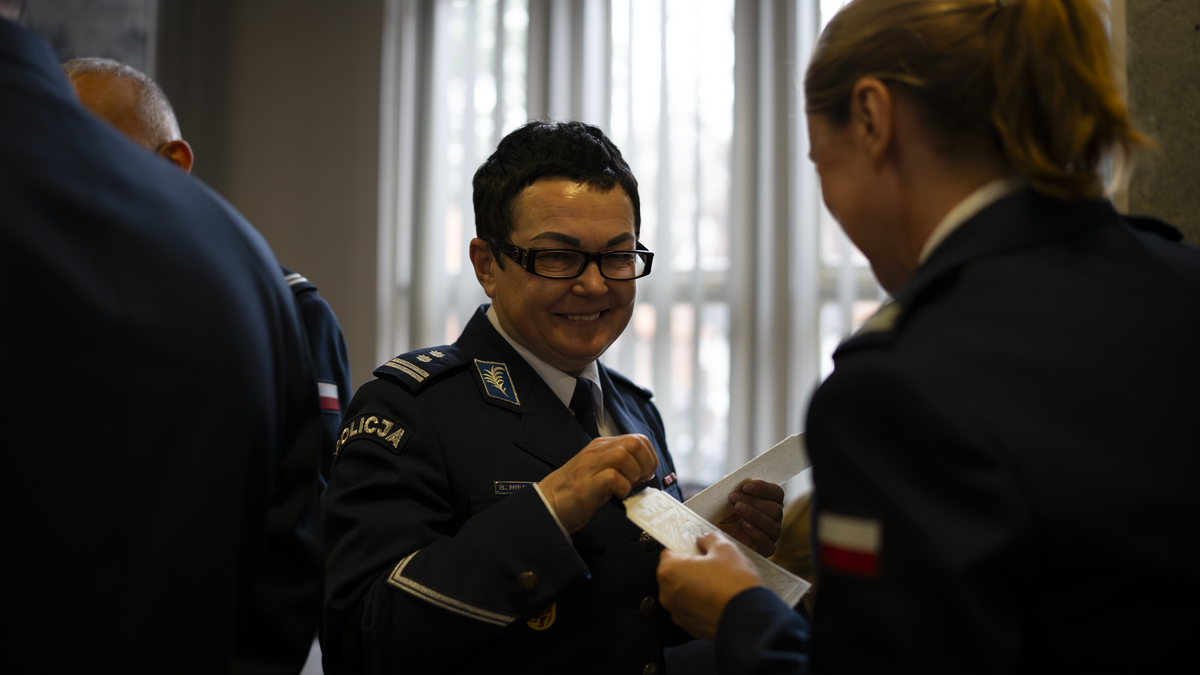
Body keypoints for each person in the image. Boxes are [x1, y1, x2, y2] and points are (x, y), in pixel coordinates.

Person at [656, 0, 1200, 673]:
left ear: (872, 117)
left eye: (821, 162)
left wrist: (741, 614)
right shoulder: (1181, 282)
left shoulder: (897, 385)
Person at [322, 120, 786, 674]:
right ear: (487, 265)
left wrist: (705, 553)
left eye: (618, 256)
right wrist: (545, 511)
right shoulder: (409, 409)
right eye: (558, 257)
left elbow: (626, 616)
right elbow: (360, 639)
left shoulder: (633, 408)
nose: (595, 285)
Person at [1, 6, 323, 673]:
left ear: (173, 162)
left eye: (96, 143)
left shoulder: (283, 300)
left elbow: (301, 541)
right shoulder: (245, 268)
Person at [63, 56, 353, 479]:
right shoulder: (37, 305)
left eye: (88, 151)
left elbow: (315, 498)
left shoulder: (289, 315)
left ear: (172, 165)